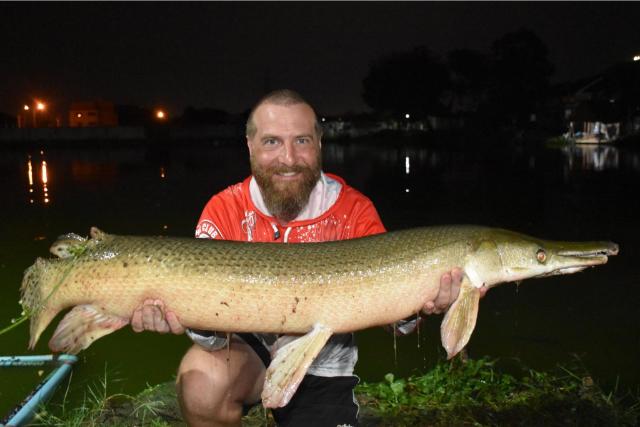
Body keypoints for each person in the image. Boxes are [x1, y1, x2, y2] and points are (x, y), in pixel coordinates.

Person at [131, 89, 469, 427]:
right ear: (250, 146)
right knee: (202, 385)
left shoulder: (354, 210)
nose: (289, 158)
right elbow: (212, 335)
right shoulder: (224, 209)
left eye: (302, 141)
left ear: (319, 143)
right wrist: (175, 312)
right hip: (248, 353)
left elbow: (397, 322)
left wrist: (426, 300)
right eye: (272, 142)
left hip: (324, 362)